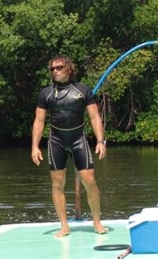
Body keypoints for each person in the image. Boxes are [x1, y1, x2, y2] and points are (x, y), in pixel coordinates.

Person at [31, 55, 107, 238]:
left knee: (89, 181)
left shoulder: (82, 90)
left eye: (59, 68)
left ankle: (96, 221)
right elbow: (39, 121)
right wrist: (35, 146)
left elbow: (95, 117)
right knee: (58, 183)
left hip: (78, 139)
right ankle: (64, 226)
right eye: (52, 69)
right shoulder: (46, 93)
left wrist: (100, 141)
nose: (55, 71)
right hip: (56, 141)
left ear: (68, 69)